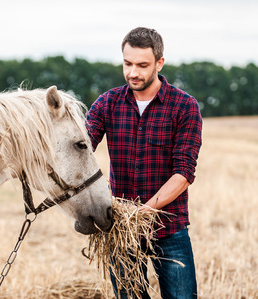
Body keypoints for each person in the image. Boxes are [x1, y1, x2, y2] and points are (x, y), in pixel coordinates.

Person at [86, 27, 202, 299]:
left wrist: (142, 213)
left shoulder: (184, 107)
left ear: (159, 63)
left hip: (169, 228)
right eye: (127, 64)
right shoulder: (107, 103)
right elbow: (82, 149)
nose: (133, 73)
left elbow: (183, 172)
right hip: (121, 232)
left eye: (142, 65)